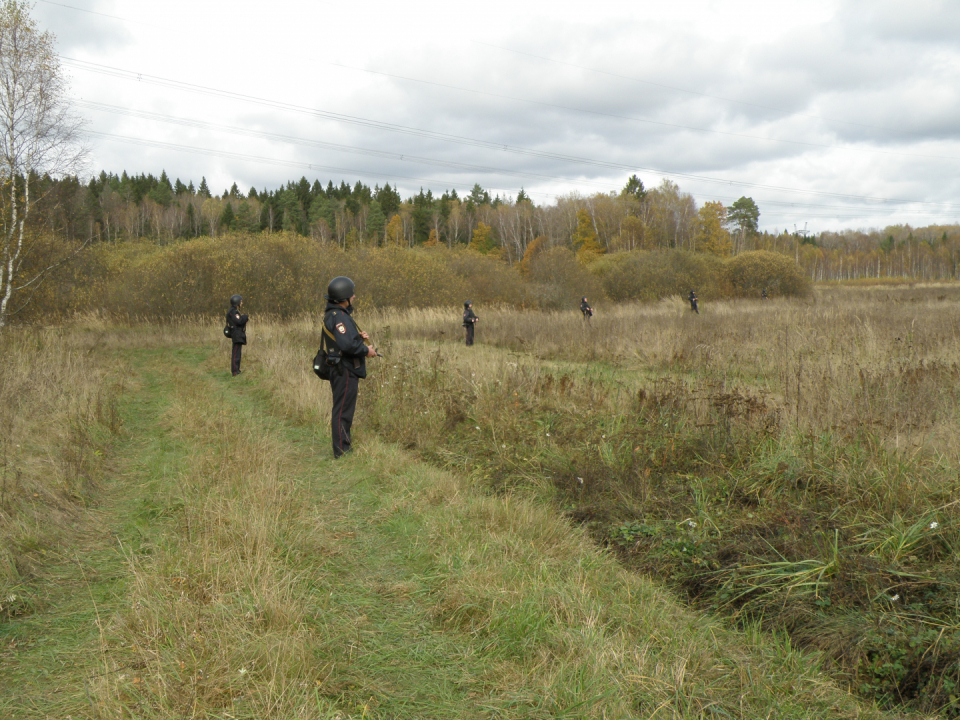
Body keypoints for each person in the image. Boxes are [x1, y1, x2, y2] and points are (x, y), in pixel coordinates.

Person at [323, 276, 377, 458]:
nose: (354, 297)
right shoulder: (339, 317)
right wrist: (365, 350)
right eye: (351, 294)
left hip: (342, 368)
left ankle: (343, 448)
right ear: (344, 297)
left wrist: (359, 338)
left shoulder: (337, 314)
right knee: (343, 411)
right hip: (344, 369)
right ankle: (342, 451)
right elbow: (347, 346)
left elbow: (343, 341)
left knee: (344, 409)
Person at [226, 294, 248, 376]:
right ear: (237, 302)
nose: (241, 303)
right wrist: (245, 317)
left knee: (238, 352)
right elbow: (238, 321)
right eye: (241, 301)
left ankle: (237, 370)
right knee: (236, 352)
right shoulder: (233, 312)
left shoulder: (233, 311)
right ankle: (235, 371)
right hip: (236, 333)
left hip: (237, 333)